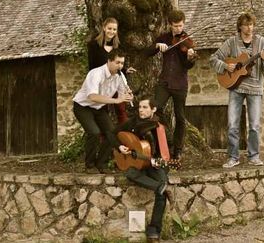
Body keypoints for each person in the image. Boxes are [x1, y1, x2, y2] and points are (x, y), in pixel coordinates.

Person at [209, 13, 264, 168]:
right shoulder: (232, 42)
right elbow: (213, 58)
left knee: (254, 125)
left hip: (255, 89)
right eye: (246, 25)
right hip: (236, 88)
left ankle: (254, 156)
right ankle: (233, 157)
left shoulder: (261, 42)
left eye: (251, 24)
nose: (249, 28)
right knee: (232, 124)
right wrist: (226, 66)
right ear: (240, 26)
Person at [112, 98, 174, 243]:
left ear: (153, 110)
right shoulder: (132, 122)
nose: (141, 110)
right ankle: (160, 187)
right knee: (130, 173)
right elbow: (113, 134)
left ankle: (153, 231)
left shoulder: (159, 127)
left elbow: (168, 148)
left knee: (161, 193)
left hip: (154, 164)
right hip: (136, 163)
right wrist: (120, 146)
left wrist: (158, 161)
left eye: (145, 107)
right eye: (140, 107)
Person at [144, 10, 197, 160]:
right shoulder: (164, 38)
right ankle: (160, 144)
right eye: (175, 26)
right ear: (170, 25)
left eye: (180, 26)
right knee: (154, 110)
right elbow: (147, 53)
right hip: (165, 82)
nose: (178, 29)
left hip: (180, 84)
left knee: (180, 118)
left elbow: (187, 66)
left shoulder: (187, 41)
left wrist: (190, 57)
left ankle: (177, 150)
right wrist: (157, 46)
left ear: (183, 24)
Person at [73, 49, 133, 174]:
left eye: (122, 63)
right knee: (94, 132)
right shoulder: (95, 73)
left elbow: (123, 94)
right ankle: (89, 165)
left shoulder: (119, 76)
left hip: (99, 108)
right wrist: (116, 100)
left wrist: (128, 96)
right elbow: (92, 96)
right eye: (117, 63)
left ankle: (101, 164)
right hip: (83, 106)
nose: (120, 66)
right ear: (109, 61)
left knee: (111, 133)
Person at [87, 17, 136, 124]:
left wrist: (125, 69)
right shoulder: (94, 45)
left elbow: (119, 62)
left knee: (121, 109)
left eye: (114, 29)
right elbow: (92, 66)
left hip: (116, 80)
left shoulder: (118, 45)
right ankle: (103, 138)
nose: (111, 31)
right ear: (104, 28)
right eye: (109, 28)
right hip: (102, 82)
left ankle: (125, 135)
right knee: (101, 111)